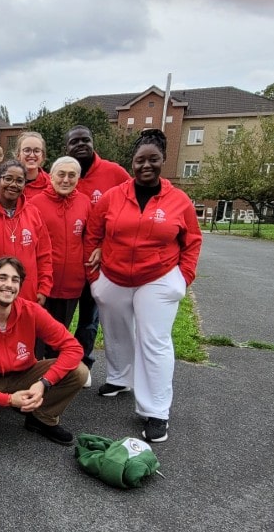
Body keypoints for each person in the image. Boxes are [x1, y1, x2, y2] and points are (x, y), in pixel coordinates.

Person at [84, 129, 202, 443]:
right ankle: (120, 378)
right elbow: (92, 235)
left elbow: (192, 241)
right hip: (114, 275)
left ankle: (156, 411)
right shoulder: (113, 196)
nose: (146, 165)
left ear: (164, 160)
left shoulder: (179, 201)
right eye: (140, 160)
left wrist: (183, 277)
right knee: (117, 331)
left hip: (158, 278)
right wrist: (95, 279)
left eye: (153, 159)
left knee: (154, 341)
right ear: (132, 162)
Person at [0, 257, 87, 445]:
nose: (9, 285)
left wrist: (44, 383)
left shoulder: (31, 311)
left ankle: (41, 418)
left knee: (79, 371)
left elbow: (73, 347)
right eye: (2, 278)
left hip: (25, 373)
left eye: (15, 280)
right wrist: (8, 400)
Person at [65, 125, 131, 382]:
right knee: (61, 318)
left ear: (93, 143)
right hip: (68, 262)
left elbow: (133, 208)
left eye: (86, 140)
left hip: (98, 262)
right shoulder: (65, 173)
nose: (81, 145)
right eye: (75, 141)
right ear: (66, 148)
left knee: (89, 318)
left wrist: (106, 244)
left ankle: (84, 363)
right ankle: (61, 363)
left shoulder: (114, 173)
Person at [29, 157, 91, 363]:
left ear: (78, 178)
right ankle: (33, 379)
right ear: (51, 176)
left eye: (71, 175)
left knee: (59, 336)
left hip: (72, 284)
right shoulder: (35, 204)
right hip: (41, 285)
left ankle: (54, 382)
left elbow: (92, 237)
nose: (66, 179)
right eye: (61, 174)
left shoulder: (85, 203)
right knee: (36, 337)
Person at [0, 159, 53, 305]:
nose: (13, 184)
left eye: (19, 181)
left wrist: (43, 288)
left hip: (29, 294)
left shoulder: (34, 213)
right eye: (8, 179)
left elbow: (44, 254)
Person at [16, 131, 50, 199]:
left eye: (37, 151)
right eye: (27, 150)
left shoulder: (51, 184)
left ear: (43, 156)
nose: (31, 155)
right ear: (18, 155)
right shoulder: (7, 183)